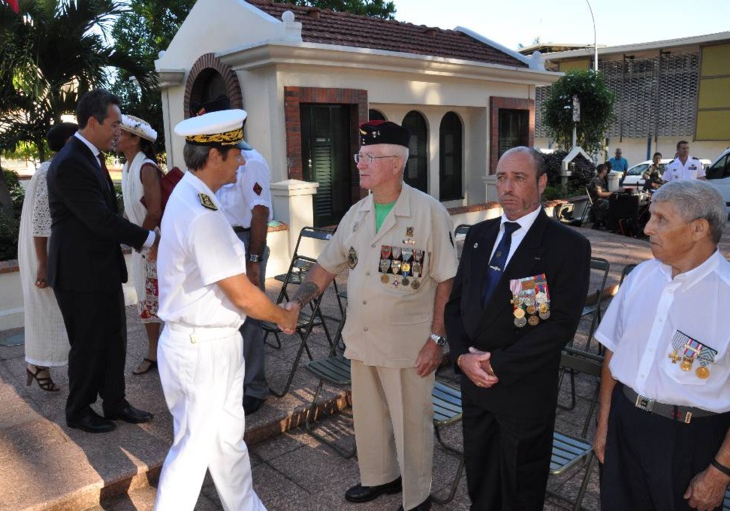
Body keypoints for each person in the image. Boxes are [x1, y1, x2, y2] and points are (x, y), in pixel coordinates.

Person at [290, 120, 458, 511]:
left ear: (397, 163)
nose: (360, 164)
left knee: (411, 424)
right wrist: (297, 302)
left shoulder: (428, 213)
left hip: (408, 345)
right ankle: (381, 478)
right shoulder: (357, 213)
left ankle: (417, 497)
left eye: (370, 157)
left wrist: (436, 340)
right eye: (359, 156)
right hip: (363, 338)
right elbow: (325, 267)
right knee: (369, 418)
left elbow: (447, 281)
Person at [154, 109, 295, 511]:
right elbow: (242, 295)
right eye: (235, 153)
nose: (242, 161)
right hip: (203, 349)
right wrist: (283, 317)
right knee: (193, 452)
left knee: (227, 441)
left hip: (207, 342)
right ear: (214, 155)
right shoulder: (202, 213)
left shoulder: (194, 195)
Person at [445, 146, 591, 511]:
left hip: (521, 389)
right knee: (481, 478)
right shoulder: (478, 236)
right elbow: (455, 305)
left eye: (519, 178)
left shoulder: (567, 246)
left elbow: (559, 326)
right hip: (475, 385)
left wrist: (496, 366)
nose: (507, 188)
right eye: (502, 178)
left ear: (541, 183)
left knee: (520, 488)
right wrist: (462, 357)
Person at [593, 180, 730, 511]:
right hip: (625, 422)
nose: (647, 227)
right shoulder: (641, 276)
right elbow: (614, 351)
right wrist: (604, 423)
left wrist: (721, 471)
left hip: (688, 439)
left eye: (661, 219)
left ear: (698, 229)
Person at [47, 89, 157, 434]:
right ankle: (78, 410)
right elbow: (99, 219)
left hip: (101, 269)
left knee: (113, 338)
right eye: (114, 124)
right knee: (88, 344)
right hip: (79, 274)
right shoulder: (70, 163)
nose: (117, 131)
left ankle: (115, 402)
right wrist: (149, 239)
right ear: (92, 122)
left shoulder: (90, 156)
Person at [193, 95, 273, 416]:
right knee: (224, 316)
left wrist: (253, 263)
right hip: (220, 242)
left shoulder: (249, 160)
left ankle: (254, 387)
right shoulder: (217, 158)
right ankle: (231, 380)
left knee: (250, 318)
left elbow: (260, 213)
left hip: (243, 244)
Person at [18, 122, 77, 392]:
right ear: (68, 140)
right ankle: (38, 363)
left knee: (53, 309)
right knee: (46, 308)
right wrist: (43, 264)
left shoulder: (52, 168)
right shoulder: (48, 171)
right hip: (44, 251)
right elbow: (41, 220)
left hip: (51, 249)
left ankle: (40, 363)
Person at [116, 114, 163, 376]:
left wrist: (138, 238)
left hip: (153, 244)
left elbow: (154, 211)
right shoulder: (127, 167)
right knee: (147, 299)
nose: (116, 136)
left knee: (156, 299)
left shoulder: (146, 168)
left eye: (121, 132)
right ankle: (155, 352)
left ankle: (156, 353)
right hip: (142, 244)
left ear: (135, 139)